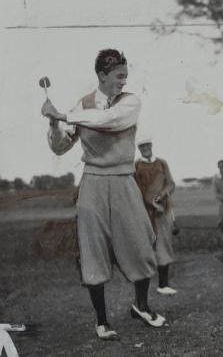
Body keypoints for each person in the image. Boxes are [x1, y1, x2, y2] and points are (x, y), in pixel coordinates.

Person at [41, 49, 165, 340]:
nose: (123, 81)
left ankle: (142, 306)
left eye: (125, 76)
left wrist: (64, 114)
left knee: (140, 242)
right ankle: (102, 321)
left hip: (123, 179)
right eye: (119, 76)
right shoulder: (81, 105)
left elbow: (111, 120)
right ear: (102, 76)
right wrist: (54, 123)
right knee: (93, 250)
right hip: (94, 182)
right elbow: (60, 148)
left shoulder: (130, 102)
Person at [134, 137, 178, 296]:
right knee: (145, 247)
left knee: (163, 246)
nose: (145, 148)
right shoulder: (136, 166)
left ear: (151, 146)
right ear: (139, 149)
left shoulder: (162, 163)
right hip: (145, 212)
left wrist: (162, 195)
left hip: (162, 211)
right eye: (142, 146)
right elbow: (134, 189)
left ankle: (163, 284)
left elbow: (171, 184)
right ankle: (143, 289)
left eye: (147, 145)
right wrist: (146, 202)